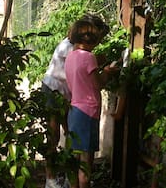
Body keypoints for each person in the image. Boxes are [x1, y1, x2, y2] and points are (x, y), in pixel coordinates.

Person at [42, 14, 109, 188]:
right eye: (97, 37)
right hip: (55, 90)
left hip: (70, 98)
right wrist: (102, 66)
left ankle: (71, 179)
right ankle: (52, 179)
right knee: (55, 135)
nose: (98, 42)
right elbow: (90, 76)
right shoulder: (72, 48)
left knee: (72, 140)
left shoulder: (78, 49)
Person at [64, 18, 118, 188]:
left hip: (74, 110)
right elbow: (98, 83)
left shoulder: (70, 56)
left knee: (76, 160)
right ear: (90, 40)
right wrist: (108, 71)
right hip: (88, 112)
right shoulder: (88, 57)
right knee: (86, 165)